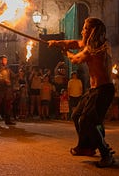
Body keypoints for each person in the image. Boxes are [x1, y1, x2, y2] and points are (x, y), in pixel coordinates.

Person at [48, 17, 115, 167]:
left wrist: (65, 52)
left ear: (92, 31)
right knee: (77, 115)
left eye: (85, 28)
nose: (81, 31)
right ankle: (85, 147)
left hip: (103, 90)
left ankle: (106, 154)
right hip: (95, 90)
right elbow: (75, 43)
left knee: (88, 120)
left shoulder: (95, 48)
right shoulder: (95, 43)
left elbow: (76, 59)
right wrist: (57, 42)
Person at [0, 55, 16, 126]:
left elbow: (13, 77)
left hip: (7, 90)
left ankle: (8, 120)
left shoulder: (8, 70)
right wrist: (4, 81)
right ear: (0, 61)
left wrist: (19, 74)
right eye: (4, 60)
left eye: (6, 60)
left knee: (8, 105)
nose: (6, 61)